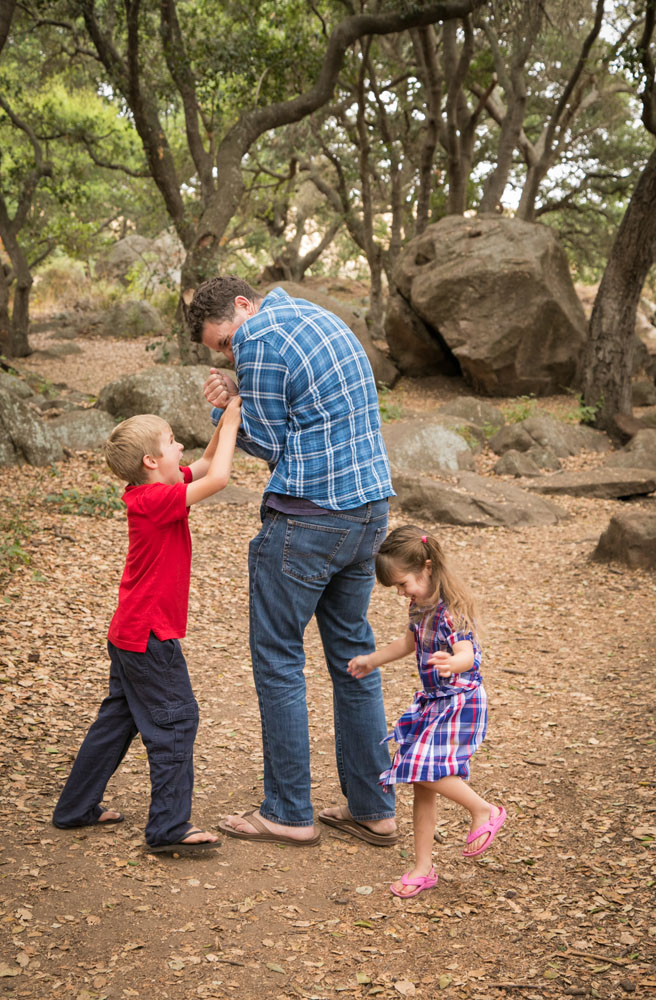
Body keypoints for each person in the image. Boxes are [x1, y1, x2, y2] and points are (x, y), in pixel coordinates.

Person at [187, 276, 397, 847]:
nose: (231, 352)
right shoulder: (310, 315)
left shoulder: (256, 339)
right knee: (354, 657)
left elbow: (271, 443)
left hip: (308, 519)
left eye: (225, 342)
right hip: (369, 513)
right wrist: (243, 389)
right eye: (222, 351)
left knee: (279, 660)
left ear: (241, 307)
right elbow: (306, 412)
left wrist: (227, 408)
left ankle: (287, 811)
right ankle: (374, 808)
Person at [52, 399, 242, 853]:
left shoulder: (155, 490)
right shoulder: (156, 500)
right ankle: (168, 829)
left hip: (130, 632)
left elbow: (204, 463)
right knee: (177, 721)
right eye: (172, 441)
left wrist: (221, 424)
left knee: (118, 720)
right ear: (150, 461)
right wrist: (233, 421)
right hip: (149, 635)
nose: (181, 447)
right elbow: (218, 477)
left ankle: (75, 807)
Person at [347, 525, 506, 897]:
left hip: (460, 700)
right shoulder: (419, 605)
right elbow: (408, 641)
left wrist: (455, 663)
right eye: (396, 588)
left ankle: (485, 811)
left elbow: (468, 651)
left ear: (427, 567)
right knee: (421, 783)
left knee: (417, 767)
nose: (401, 592)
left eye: (403, 583)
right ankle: (422, 868)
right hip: (435, 700)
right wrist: (372, 660)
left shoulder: (453, 610)